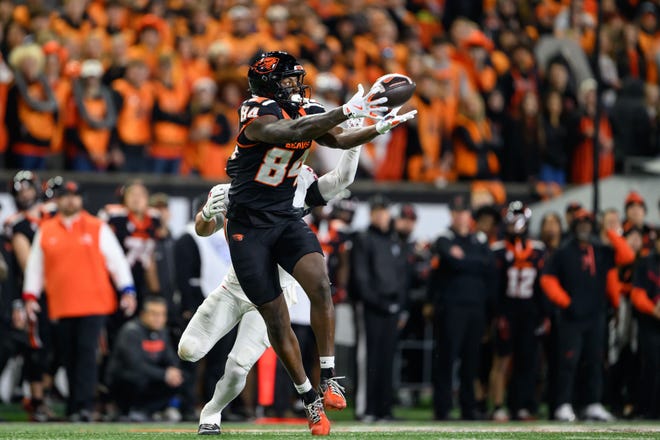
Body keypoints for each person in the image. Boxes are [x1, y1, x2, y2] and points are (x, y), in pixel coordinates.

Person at [222, 50, 415, 432]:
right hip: (248, 226)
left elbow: (339, 140)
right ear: (268, 85)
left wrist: (377, 128)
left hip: (284, 215)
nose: (296, 85)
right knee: (276, 319)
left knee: (321, 285)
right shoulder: (255, 110)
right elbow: (291, 132)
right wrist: (346, 109)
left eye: (297, 78)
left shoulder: (306, 106)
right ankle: (308, 399)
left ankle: (328, 378)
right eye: (288, 80)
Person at [178, 139, 364, 435]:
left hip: (273, 296)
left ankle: (212, 411)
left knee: (239, 366)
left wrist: (355, 143)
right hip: (236, 286)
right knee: (188, 350)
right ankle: (310, 394)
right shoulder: (231, 191)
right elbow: (204, 230)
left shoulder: (297, 185)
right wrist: (205, 215)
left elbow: (341, 179)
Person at [22, 179, 137, 421]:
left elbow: (116, 261)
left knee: (86, 354)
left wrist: (127, 290)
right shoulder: (47, 229)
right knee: (68, 356)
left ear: (81, 199)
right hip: (61, 305)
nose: (70, 200)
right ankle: (75, 406)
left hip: (94, 303)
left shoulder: (97, 226)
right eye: (65, 196)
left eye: (75, 196)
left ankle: (83, 406)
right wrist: (30, 296)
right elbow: (35, 267)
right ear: (58, 200)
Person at [540, 208, 635, 422]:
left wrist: (610, 231)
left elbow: (627, 256)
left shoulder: (601, 250)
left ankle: (593, 403)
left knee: (595, 361)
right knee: (568, 362)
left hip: (596, 315)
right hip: (571, 317)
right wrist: (565, 302)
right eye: (580, 222)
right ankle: (563, 403)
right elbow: (547, 279)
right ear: (574, 227)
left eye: (588, 222)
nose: (584, 226)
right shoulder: (564, 252)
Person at [427, 195, 495, 420]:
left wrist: (465, 260)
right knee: (447, 358)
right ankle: (443, 408)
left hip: (476, 307)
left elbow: (488, 265)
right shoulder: (445, 238)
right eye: (456, 212)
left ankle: (469, 407)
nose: (460, 216)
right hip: (451, 307)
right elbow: (457, 261)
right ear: (452, 215)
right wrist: (471, 261)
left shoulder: (479, 239)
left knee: (471, 360)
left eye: (464, 211)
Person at [352, 194, 409, 422]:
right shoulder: (364, 239)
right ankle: (367, 409)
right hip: (372, 308)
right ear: (371, 214)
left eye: (384, 211)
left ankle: (384, 409)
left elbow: (402, 277)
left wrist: (401, 306)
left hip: (392, 309)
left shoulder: (394, 241)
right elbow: (361, 278)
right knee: (369, 359)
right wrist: (379, 302)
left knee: (387, 359)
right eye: (377, 211)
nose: (382, 215)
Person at [489, 202, 547, 421]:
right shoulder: (499, 249)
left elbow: (542, 285)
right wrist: (495, 314)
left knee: (527, 361)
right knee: (501, 360)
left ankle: (520, 405)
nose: (516, 224)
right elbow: (492, 286)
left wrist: (543, 313)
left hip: (529, 312)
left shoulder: (538, 249)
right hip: (506, 310)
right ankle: (496, 405)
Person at [105, 295, 183, 422]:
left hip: (149, 379)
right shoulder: (131, 331)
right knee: (137, 377)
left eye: (162, 314)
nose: (158, 318)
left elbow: (171, 359)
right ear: (143, 314)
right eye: (154, 314)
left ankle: (146, 411)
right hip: (123, 383)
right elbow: (134, 365)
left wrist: (174, 372)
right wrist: (164, 374)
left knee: (180, 378)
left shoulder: (162, 332)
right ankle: (127, 410)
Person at [630, 228, 660, 419]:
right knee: (652, 365)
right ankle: (648, 410)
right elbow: (637, 294)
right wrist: (654, 309)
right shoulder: (645, 263)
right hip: (650, 323)